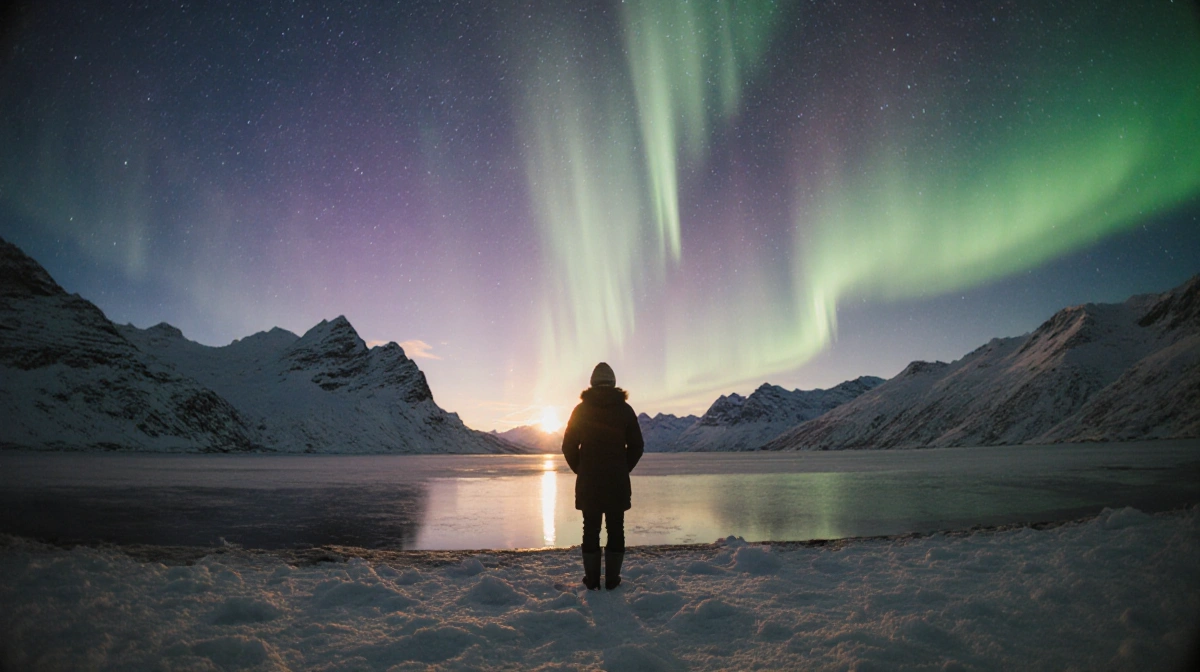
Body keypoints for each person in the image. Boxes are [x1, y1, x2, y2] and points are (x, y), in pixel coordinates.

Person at [561, 362, 645, 590]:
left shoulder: (581, 410)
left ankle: (591, 581)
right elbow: (637, 446)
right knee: (616, 528)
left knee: (590, 528)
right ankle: (612, 580)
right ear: (614, 383)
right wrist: (621, 468)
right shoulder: (625, 410)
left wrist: (583, 469)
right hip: (616, 481)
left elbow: (568, 446)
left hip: (590, 482)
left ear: (592, 383)